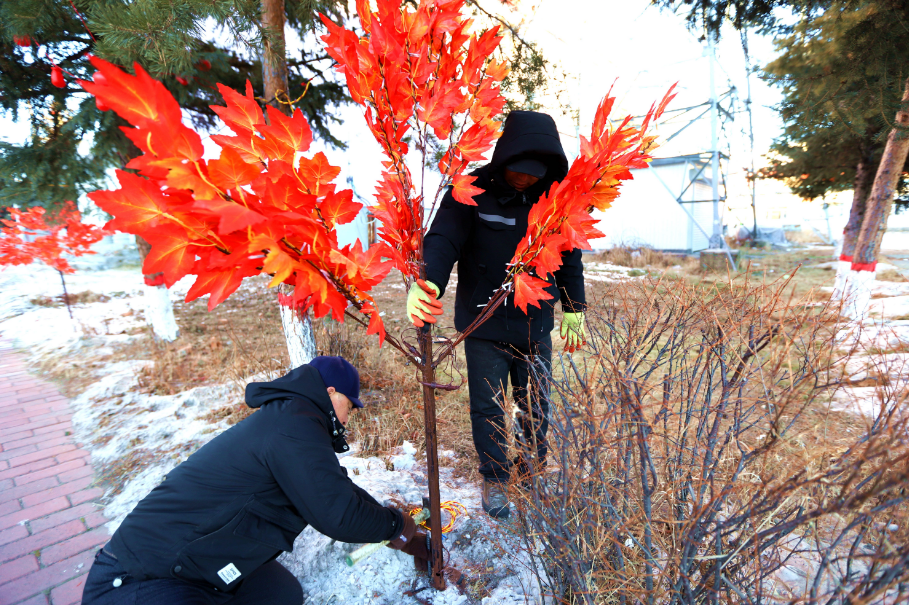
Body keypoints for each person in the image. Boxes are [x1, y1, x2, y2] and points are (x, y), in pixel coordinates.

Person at [81, 356, 429, 605]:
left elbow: (335, 489)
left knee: (280, 593)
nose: (347, 418)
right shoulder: (294, 425)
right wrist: (393, 526)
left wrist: (392, 519)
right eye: (349, 407)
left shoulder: (293, 420)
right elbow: (337, 514)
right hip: (137, 577)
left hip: (198, 567)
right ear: (332, 392)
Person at [407, 110, 587, 520]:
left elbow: (570, 257)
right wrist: (429, 281)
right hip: (483, 325)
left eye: (534, 173)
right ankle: (495, 477)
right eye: (518, 171)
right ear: (504, 160)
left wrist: (574, 307)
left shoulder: (555, 199)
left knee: (537, 403)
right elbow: (443, 240)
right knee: (488, 406)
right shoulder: (471, 189)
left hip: (534, 324)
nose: (525, 179)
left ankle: (532, 469)